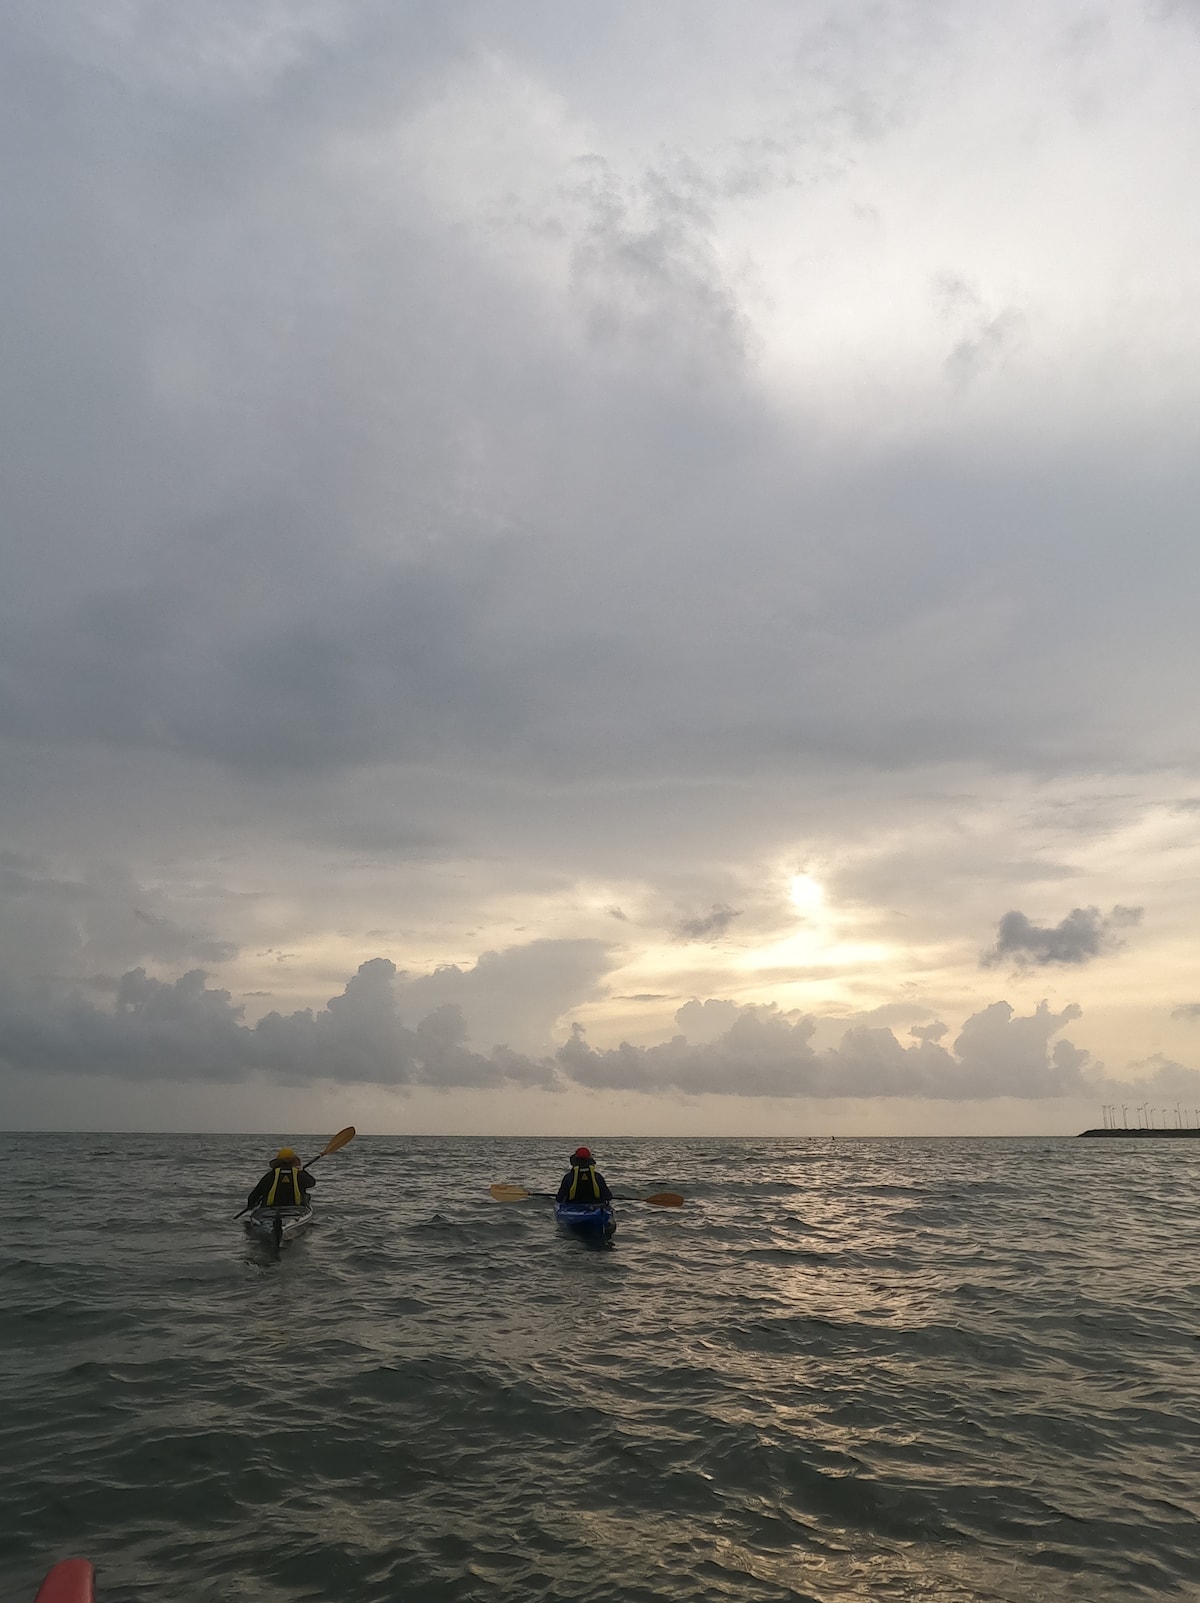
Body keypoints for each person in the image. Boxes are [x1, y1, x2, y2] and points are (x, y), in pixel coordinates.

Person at [246, 1147, 316, 1210]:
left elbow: (256, 1193)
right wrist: (302, 1171)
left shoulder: (271, 1175)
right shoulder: (300, 1174)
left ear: (278, 1162)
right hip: (296, 1209)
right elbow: (312, 1183)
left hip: (270, 1209)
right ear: (294, 1161)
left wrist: (251, 1205)